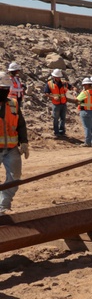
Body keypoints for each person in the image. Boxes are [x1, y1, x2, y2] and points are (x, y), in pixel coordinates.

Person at [0, 72, 29, 215]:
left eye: (6, 88)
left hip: (11, 149)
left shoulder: (13, 104)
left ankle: (3, 205)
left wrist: (24, 142)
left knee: (15, 177)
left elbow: (21, 124)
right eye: (2, 89)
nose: (5, 91)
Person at [43, 69, 70, 137]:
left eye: (59, 77)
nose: (58, 78)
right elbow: (46, 93)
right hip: (56, 103)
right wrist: (53, 97)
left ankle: (62, 131)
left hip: (63, 103)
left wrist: (74, 89)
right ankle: (56, 132)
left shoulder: (64, 83)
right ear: (54, 77)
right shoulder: (49, 84)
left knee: (63, 118)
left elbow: (71, 87)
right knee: (55, 118)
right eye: (57, 77)